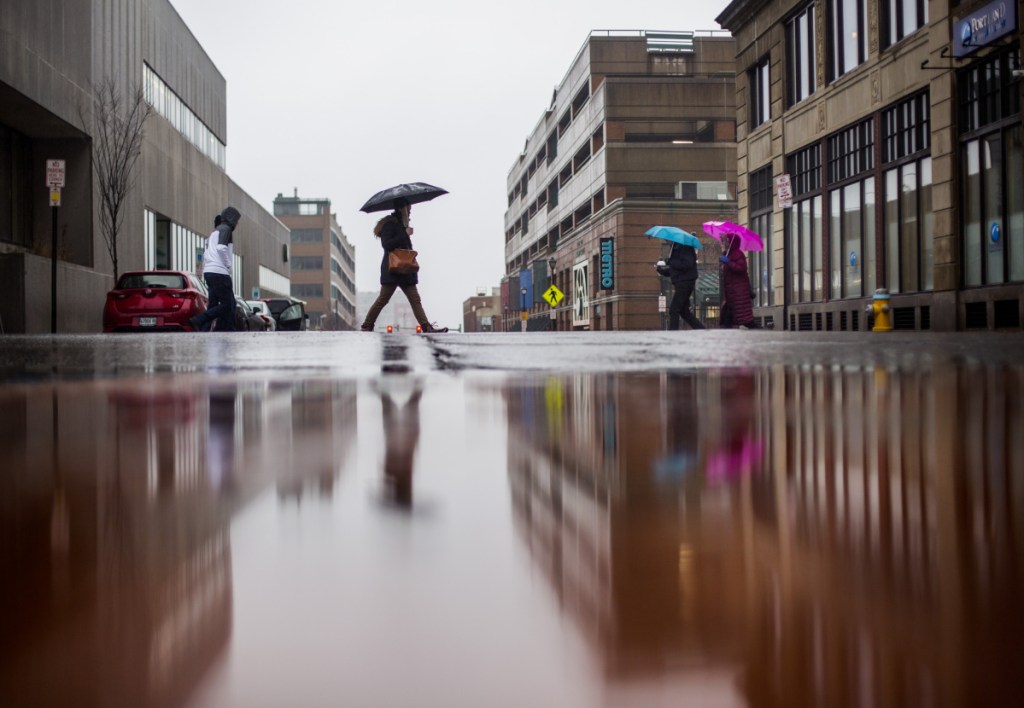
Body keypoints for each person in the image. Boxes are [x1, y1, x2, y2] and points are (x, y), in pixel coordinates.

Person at [360, 198, 447, 333]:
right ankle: (367, 325)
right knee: (383, 299)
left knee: (415, 299)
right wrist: (404, 233)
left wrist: (405, 231)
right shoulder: (390, 224)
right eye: (409, 208)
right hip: (393, 269)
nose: (410, 211)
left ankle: (426, 327)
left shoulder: (403, 224)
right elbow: (387, 245)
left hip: (406, 269)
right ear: (402, 209)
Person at [190, 207, 241, 332]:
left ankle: (204, 329)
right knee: (228, 304)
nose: (237, 223)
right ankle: (200, 320)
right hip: (220, 272)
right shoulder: (226, 229)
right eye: (237, 220)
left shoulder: (213, 233)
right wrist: (228, 266)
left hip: (209, 272)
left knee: (213, 304)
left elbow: (207, 253)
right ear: (232, 218)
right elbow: (221, 248)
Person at [719, 235, 757, 329]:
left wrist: (728, 262)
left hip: (738, 293)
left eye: (726, 241)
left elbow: (741, 268)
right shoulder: (728, 254)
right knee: (728, 319)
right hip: (731, 293)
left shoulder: (738, 254)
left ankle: (759, 331)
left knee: (744, 318)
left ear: (732, 242)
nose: (724, 243)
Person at [664, 242, 705, 330]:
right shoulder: (675, 248)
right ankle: (701, 329)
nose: (666, 241)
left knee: (674, 310)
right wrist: (663, 271)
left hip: (685, 283)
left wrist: (671, 262)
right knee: (684, 311)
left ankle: (673, 334)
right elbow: (676, 269)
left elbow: (687, 264)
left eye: (668, 239)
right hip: (682, 283)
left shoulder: (685, 247)